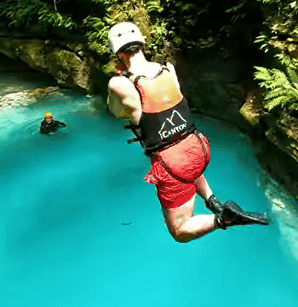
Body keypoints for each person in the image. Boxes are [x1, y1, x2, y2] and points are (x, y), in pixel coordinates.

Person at [105, 22, 270, 243]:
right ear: (142, 45)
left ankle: (223, 220)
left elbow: (116, 112)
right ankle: (213, 201)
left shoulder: (120, 83)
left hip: (172, 164)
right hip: (198, 147)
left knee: (180, 231)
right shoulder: (167, 69)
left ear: (119, 54)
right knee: (183, 155)